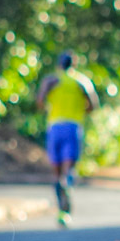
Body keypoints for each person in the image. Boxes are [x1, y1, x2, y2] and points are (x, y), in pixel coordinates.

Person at [36, 52, 98, 227]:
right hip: (73, 127)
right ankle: (65, 185)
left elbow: (40, 102)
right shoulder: (81, 81)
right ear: (74, 64)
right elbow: (93, 105)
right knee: (68, 167)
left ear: (58, 65)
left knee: (55, 170)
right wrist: (81, 110)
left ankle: (61, 204)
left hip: (54, 127)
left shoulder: (51, 81)